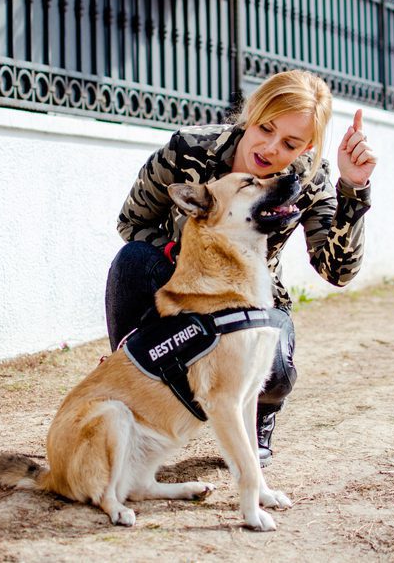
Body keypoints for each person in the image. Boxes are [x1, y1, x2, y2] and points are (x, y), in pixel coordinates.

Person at [104, 69, 376, 466]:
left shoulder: (310, 180)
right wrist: (188, 259)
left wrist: (353, 189)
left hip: (252, 300)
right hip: (182, 288)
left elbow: (337, 270)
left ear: (309, 146)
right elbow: (131, 222)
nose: (270, 147)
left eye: (290, 143)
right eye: (265, 127)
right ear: (252, 111)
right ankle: (131, 385)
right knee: (132, 261)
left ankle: (259, 418)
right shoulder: (189, 148)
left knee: (276, 369)